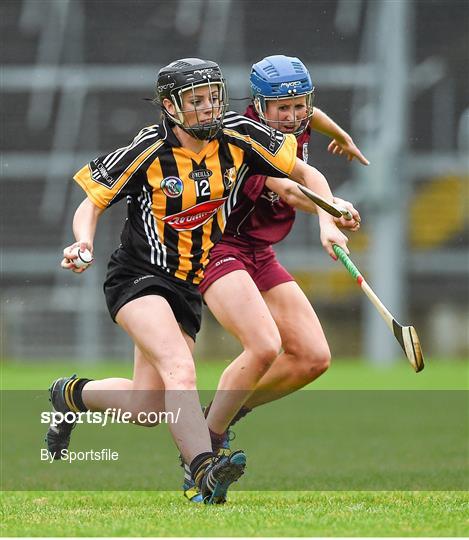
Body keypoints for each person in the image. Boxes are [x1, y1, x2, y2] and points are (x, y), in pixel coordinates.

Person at [45, 57, 350, 505]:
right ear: (170, 106)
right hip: (138, 278)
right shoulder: (149, 150)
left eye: (213, 99)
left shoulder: (238, 137)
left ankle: (71, 396)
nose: (208, 109)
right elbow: (91, 202)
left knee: (149, 408)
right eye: (196, 102)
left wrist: (328, 217)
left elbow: (303, 173)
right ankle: (202, 471)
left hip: (187, 284)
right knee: (180, 369)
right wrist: (82, 244)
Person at [180, 55, 368, 499]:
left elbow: (312, 121)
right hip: (217, 247)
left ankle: (215, 420)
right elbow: (287, 187)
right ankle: (202, 454)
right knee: (264, 346)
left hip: (258, 251)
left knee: (313, 358)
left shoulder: (297, 119)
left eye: (299, 104)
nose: (293, 115)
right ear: (259, 107)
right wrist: (329, 215)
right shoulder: (247, 139)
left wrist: (340, 135)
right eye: (281, 108)